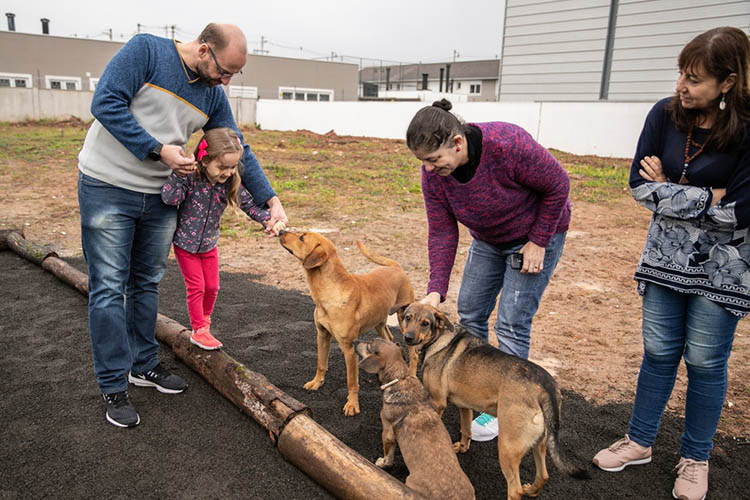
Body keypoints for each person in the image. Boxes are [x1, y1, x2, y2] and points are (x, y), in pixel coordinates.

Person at [77, 23, 288, 428]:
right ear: (204, 49)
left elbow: (238, 145)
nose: (226, 81)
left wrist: (271, 200)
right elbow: (105, 102)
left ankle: (143, 365)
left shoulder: (212, 94)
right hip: (107, 185)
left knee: (147, 281)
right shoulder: (147, 52)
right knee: (107, 286)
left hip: (161, 196)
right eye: (225, 71)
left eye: (233, 76)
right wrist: (157, 150)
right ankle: (112, 383)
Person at [592, 27, 750, 500]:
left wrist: (672, 193)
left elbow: (741, 209)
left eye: (696, 79)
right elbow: (639, 187)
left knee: (704, 361)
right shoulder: (664, 113)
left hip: (723, 266)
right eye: (681, 73)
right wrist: (707, 196)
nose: (683, 86)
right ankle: (638, 441)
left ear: (728, 82)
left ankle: (695, 459)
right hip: (663, 258)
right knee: (659, 353)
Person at [406, 99, 571, 441]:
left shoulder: (507, 144)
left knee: (511, 321)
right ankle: (477, 390)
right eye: (423, 162)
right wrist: (436, 288)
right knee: (470, 311)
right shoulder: (433, 177)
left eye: (434, 160)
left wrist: (539, 240)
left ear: (457, 143)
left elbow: (558, 185)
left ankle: (507, 405)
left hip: (536, 234)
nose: (429, 169)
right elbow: (442, 230)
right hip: (488, 239)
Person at [162, 128, 285, 350]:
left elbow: (248, 204)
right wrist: (179, 175)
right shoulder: (190, 178)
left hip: (209, 244)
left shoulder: (228, 183)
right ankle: (198, 330)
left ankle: (205, 323)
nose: (228, 172)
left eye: (232, 167)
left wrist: (267, 219)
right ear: (204, 160)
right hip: (185, 245)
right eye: (222, 167)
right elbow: (170, 198)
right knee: (197, 287)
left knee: (213, 287)